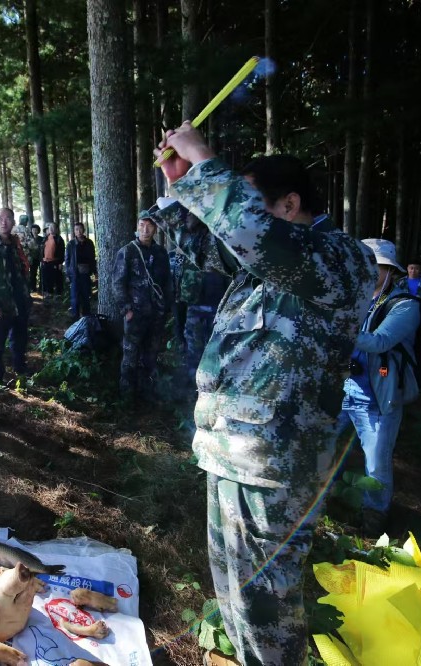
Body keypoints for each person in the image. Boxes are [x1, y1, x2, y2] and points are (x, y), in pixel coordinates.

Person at [153, 123, 376, 666]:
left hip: (277, 463)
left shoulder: (341, 260)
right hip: (233, 451)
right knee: (233, 592)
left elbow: (254, 235)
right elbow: (208, 246)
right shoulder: (265, 266)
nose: (243, 219)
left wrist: (206, 160)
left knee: (267, 607)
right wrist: (180, 187)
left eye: (255, 201)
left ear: (290, 203)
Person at [339, 239, 420, 534]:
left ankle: (374, 520)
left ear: (390, 271)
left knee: (376, 465)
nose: (367, 270)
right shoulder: (355, 300)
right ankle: (326, 503)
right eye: (362, 263)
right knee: (326, 448)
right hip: (342, 392)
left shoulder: (405, 307)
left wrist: (336, 325)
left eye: (375, 265)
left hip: (377, 401)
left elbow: (380, 342)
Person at [114, 211, 173, 397]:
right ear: (137, 227)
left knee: (151, 354)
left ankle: (148, 394)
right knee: (130, 355)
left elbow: (167, 282)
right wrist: (126, 309)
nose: (145, 229)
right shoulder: (128, 251)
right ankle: (127, 397)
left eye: (149, 225)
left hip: (156, 314)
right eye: (142, 225)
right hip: (135, 314)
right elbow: (117, 282)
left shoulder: (161, 253)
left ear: (155, 228)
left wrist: (167, 308)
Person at [175, 213, 229, 399]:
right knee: (194, 354)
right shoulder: (190, 242)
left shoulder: (222, 238)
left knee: (216, 355)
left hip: (219, 308)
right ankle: (193, 397)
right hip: (195, 308)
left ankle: (213, 396)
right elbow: (181, 290)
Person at [0, 207, 32, 380]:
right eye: (0, 218)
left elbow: (24, 270)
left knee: (19, 339)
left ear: (13, 222)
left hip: (20, 301)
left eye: (8, 218)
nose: (4, 222)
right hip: (1, 304)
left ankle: (20, 369)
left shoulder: (17, 244)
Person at [64, 221, 97, 320]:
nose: (79, 231)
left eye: (80, 229)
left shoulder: (89, 243)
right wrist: (68, 273)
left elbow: (92, 258)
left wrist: (94, 271)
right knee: (75, 297)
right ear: (74, 231)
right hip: (75, 273)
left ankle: (86, 318)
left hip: (86, 273)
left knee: (86, 296)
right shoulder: (71, 244)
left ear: (84, 230)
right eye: (76, 229)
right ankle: (75, 318)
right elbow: (67, 259)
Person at [41, 223, 66, 295]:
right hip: (45, 262)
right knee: (46, 279)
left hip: (55, 262)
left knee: (56, 279)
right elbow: (42, 250)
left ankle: (58, 294)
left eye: (53, 227)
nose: (51, 229)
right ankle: (48, 293)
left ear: (57, 229)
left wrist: (60, 262)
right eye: (50, 227)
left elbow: (62, 252)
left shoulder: (59, 239)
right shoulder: (46, 238)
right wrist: (42, 260)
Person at [28, 224, 44, 292]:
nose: (34, 231)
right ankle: (33, 288)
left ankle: (41, 288)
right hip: (32, 258)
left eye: (36, 230)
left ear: (38, 231)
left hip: (40, 258)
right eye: (33, 230)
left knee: (41, 273)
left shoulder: (41, 239)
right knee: (32, 273)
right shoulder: (29, 239)